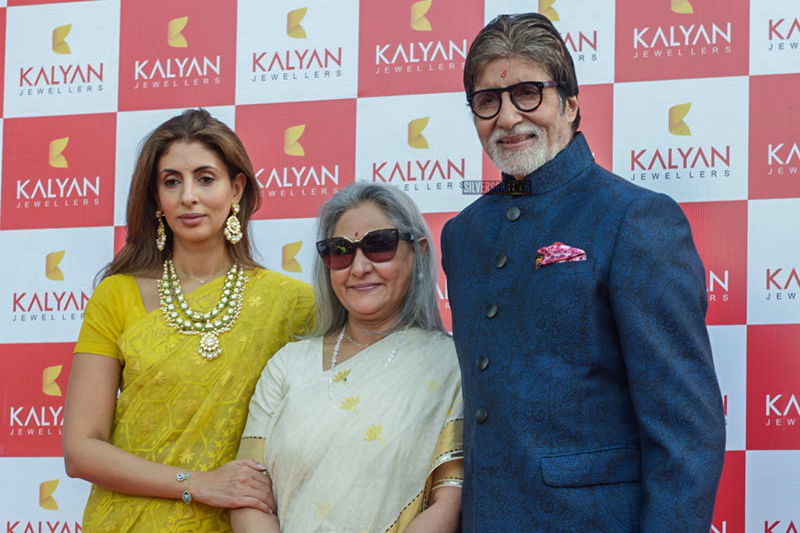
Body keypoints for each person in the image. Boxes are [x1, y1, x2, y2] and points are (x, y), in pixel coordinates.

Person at [441, 13, 726, 533]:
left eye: (528, 93)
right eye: (488, 101)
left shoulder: (634, 218)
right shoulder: (464, 234)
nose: (507, 118)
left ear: (570, 103)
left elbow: (687, 433)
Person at [62, 109, 315, 533]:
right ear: (156, 197)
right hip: (125, 521)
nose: (188, 197)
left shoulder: (291, 304)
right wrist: (197, 484)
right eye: (171, 181)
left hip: (236, 521)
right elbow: (81, 449)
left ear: (236, 188)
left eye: (205, 178)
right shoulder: (117, 295)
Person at [231, 182, 463, 533]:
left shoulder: (451, 365)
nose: (359, 267)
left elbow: (448, 503)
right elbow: (248, 492)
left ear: (418, 251)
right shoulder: (287, 365)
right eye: (340, 251)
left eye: (379, 246)